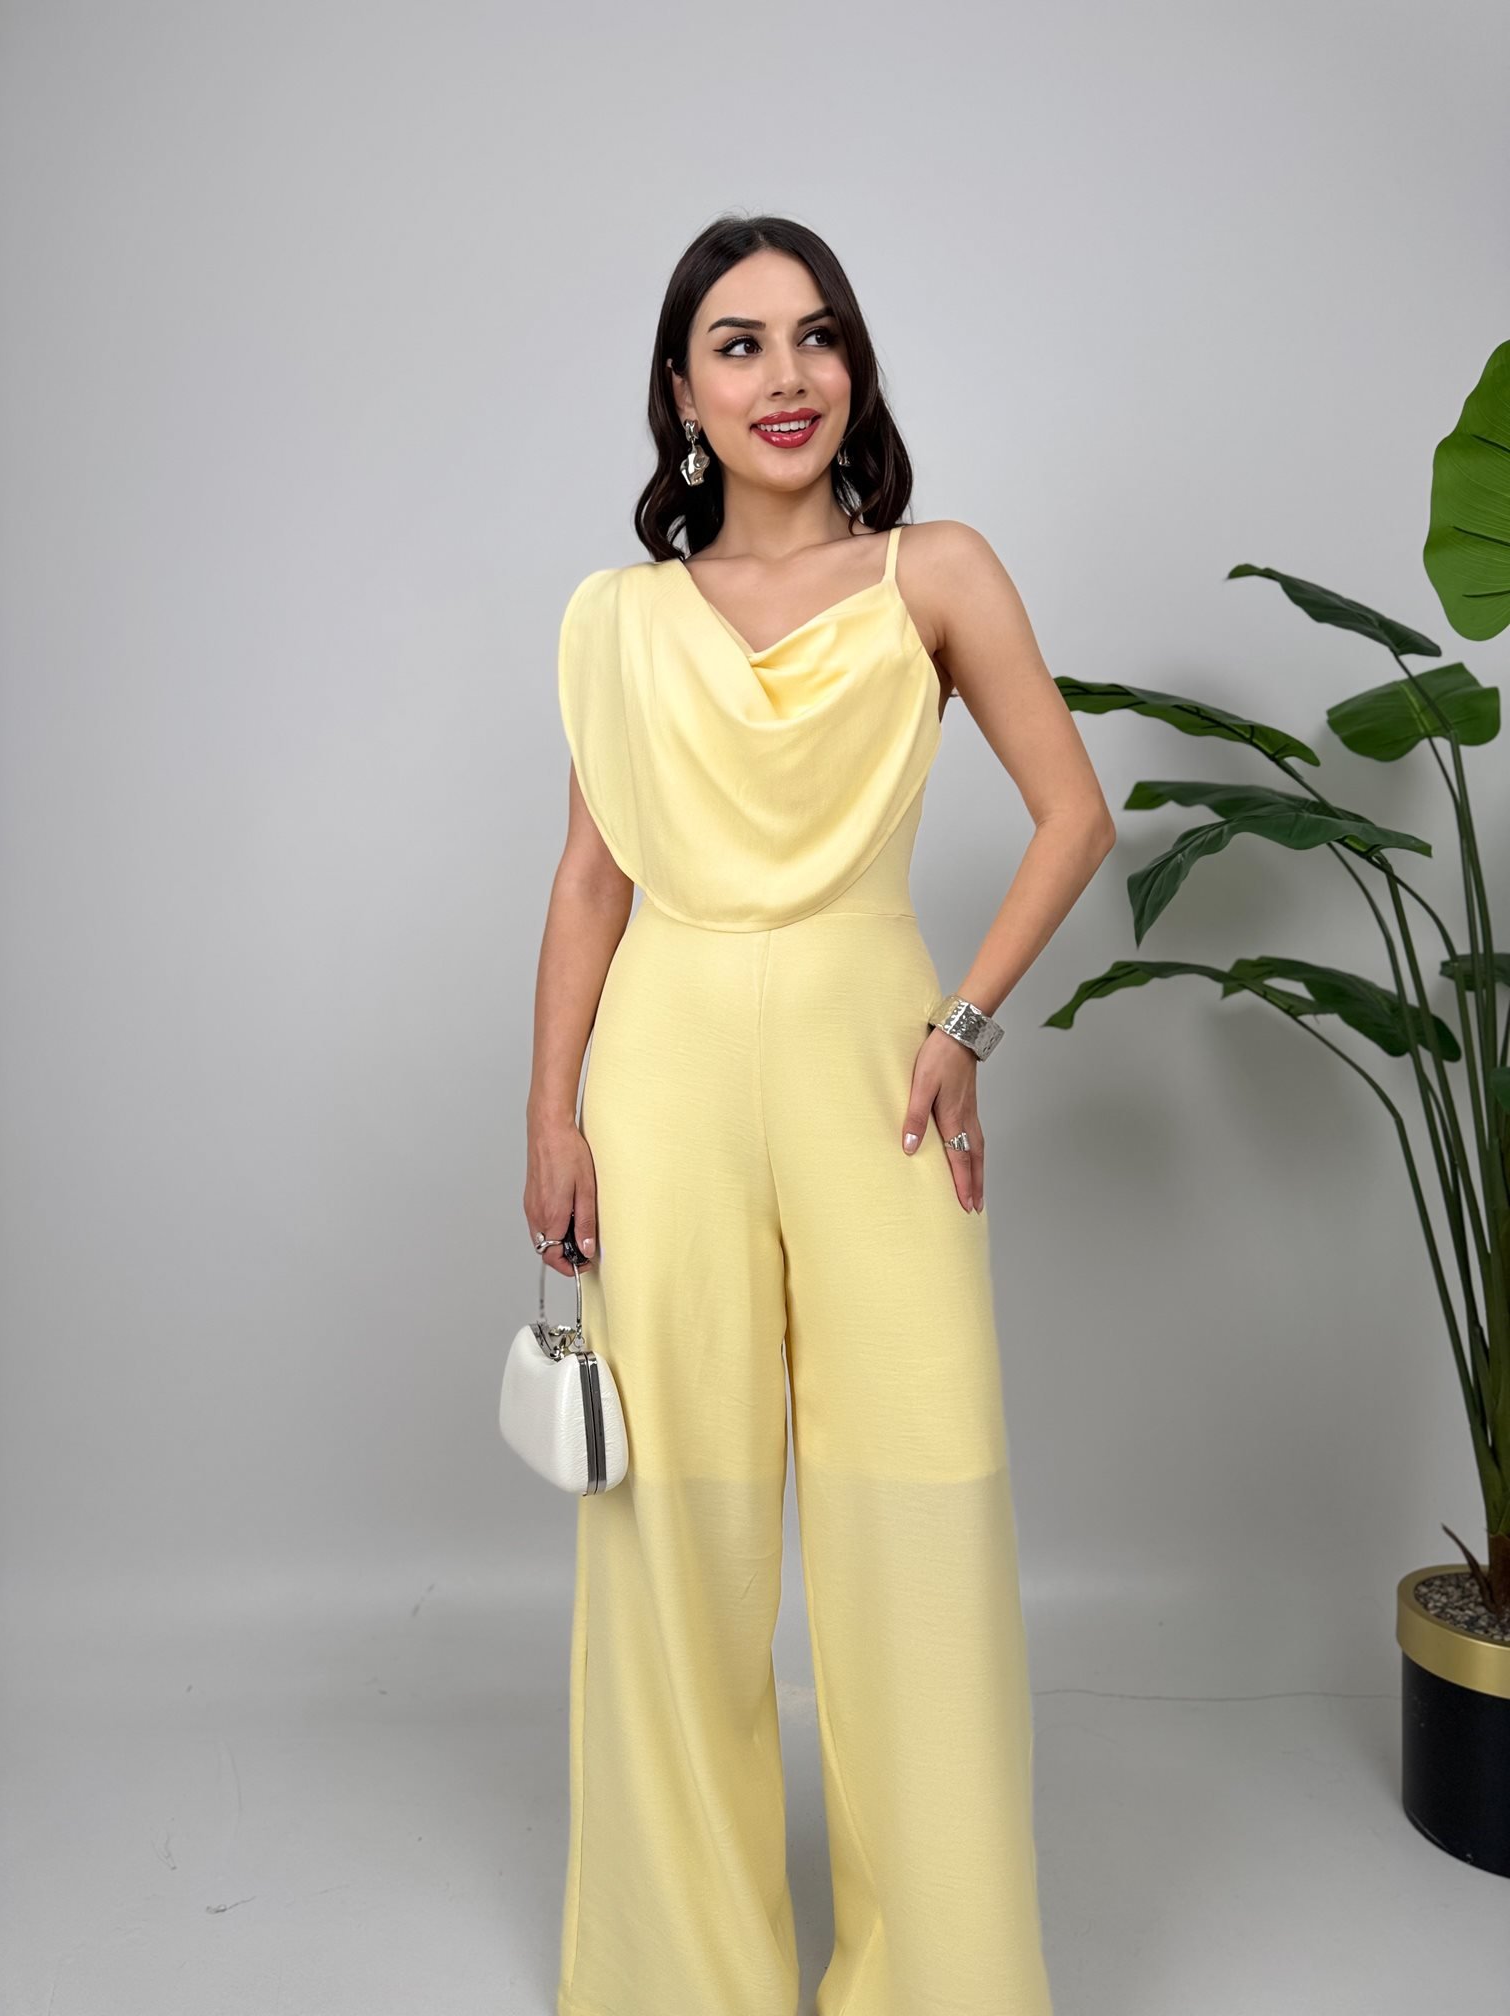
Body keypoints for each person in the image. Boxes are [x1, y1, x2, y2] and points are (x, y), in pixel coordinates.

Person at [524, 212, 1115, 2016]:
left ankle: (942, 1978)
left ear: (852, 367)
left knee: (915, 1505)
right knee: (675, 1530)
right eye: (739, 343)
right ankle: (679, 1975)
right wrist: (550, 1118)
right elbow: (590, 883)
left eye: (816, 336)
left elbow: (1074, 814)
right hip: (665, 1072)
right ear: (681, 394)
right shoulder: (618, 620)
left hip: (878, 1066)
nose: (786, 375)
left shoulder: (936, 571)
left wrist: (964, 1025)